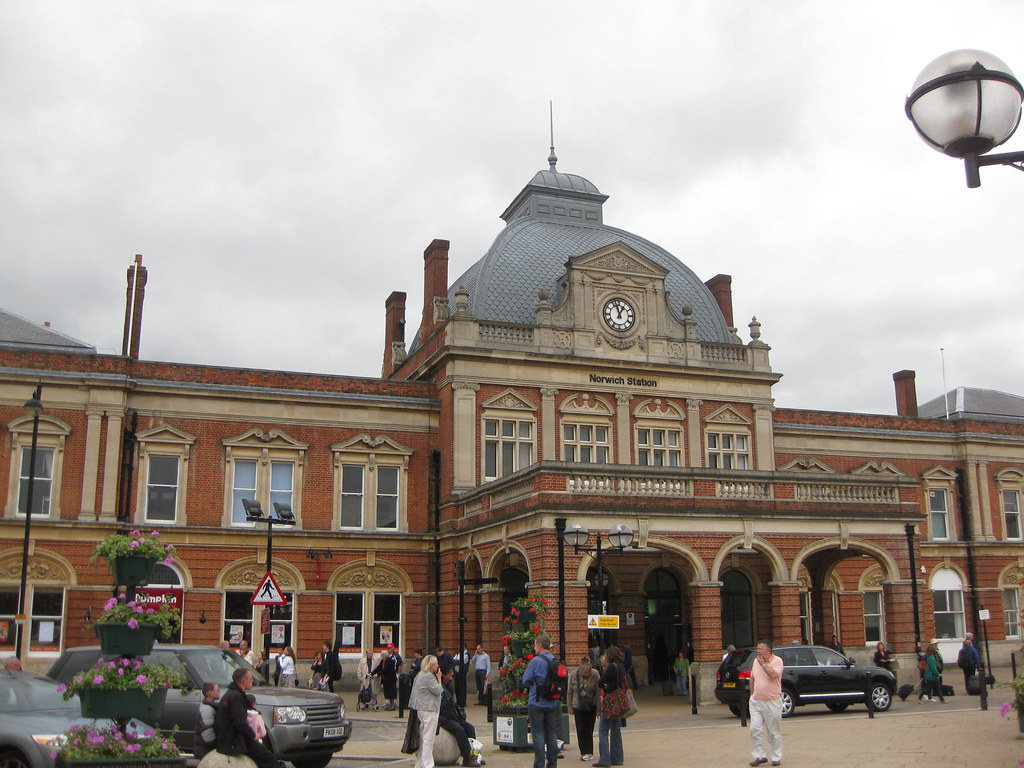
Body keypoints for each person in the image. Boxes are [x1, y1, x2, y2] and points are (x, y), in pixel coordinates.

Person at [214, 667, 280, 768]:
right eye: (251, 678)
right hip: (233, 742)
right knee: (270, 758)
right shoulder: (236, 697)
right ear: (244, 681)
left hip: (228, 739)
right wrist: (253, 735)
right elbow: (239, 722)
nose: (252, 681)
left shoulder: (233, 694)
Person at [522, 634, 560, 768]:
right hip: (552, 702)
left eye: (534, 645)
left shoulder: (536, 661)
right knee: (551, 732)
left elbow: (525, 680)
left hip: (536, 702)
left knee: (538, 734)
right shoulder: (555, 660)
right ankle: (553, 762)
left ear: (539, 645)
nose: (534, 647)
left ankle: (539, 764)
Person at [439, 664, 483, 767]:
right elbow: (443, 708)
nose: (453, 674)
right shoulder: (440, 688)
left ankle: (474, 754)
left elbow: (452, 705)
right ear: (444, 675)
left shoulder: (448, 687)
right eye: (450, 672)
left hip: (452, 716)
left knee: (470, 727)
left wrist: (458, 715)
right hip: (443, 718)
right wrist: (455, 718)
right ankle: (466, 757)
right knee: (459, 729)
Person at [748, 640, 783, 767]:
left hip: (772, 701)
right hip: (756, 701)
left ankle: (776, 756)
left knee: (773, 731)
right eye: (758, 649)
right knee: (755, 728)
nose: (758, 651)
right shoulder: (755, 661)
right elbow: (752, 678)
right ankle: (759, 755)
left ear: (768, 650)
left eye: (761, 649)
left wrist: (763, 665)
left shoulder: (777, 661)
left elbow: (773, 675)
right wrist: (752, 694)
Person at [408, 654, 443, 768]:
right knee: (429, 738)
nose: (438, 665)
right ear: (431, 665)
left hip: (421, 709)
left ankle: (420, 763)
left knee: (423, 737)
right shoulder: (429, 677)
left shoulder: (420, 674)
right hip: (429, 709)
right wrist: (439, 678)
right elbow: (438, 690)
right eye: (436, 663)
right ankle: (428, 764)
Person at [594, 646, 624, 768]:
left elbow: (601, 682)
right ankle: (617, 758)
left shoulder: (612, 667)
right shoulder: (622, 666)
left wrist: (605, 686)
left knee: (603, 730)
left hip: (610, 700)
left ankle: (604, 759)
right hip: (619, 700)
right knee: (616, 730)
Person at [567, 656, 599, 762]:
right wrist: (570, 707)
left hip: (591, 705)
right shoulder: (573, 675)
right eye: (584, 671)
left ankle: (589, 751)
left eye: (588, 671)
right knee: (580, 729)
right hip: (578, 705)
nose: (587, 673)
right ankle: (583, 752)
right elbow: (569, 692)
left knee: (589, 728)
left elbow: (599, 692)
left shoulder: (595, 674)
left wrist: (599, 707)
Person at [194, 682, 220, 761]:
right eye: (217, 690)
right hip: (205, 751)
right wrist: (217, 745)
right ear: (210, 693)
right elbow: (207, 732)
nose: (219, 692)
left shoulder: (211, 706)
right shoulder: (207, 709)